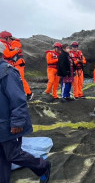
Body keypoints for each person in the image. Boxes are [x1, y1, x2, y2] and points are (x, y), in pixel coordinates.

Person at [0, 42, 51, 183]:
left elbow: (18, 100)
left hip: (9, 124)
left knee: (13, 155)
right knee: (2, 158)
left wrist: (17, 122)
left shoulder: (7, 73)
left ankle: (42, 166)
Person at [0, 31, 34, 101]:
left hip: (17, 64)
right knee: (15, 79)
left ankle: (29, 93)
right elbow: (8, 55)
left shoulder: (12, 43)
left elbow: (9, 54)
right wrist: (15, 50)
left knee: (19, 79)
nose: (10, 39)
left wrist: (15, 50)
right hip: (11, 64)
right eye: (9, 38)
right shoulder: (4, 44)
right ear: (5, 38)